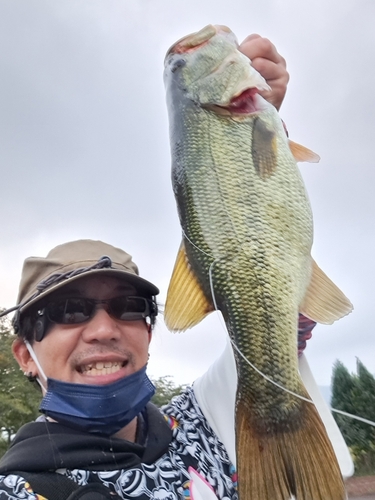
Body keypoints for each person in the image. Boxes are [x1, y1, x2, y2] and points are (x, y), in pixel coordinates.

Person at [0, 38, 351, 500]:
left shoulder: (207, 412)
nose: (104, 328)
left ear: (148, 331)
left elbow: (284, 316)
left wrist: (254, 133)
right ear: (25, 353)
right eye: (68, 310)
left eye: (128, 306)